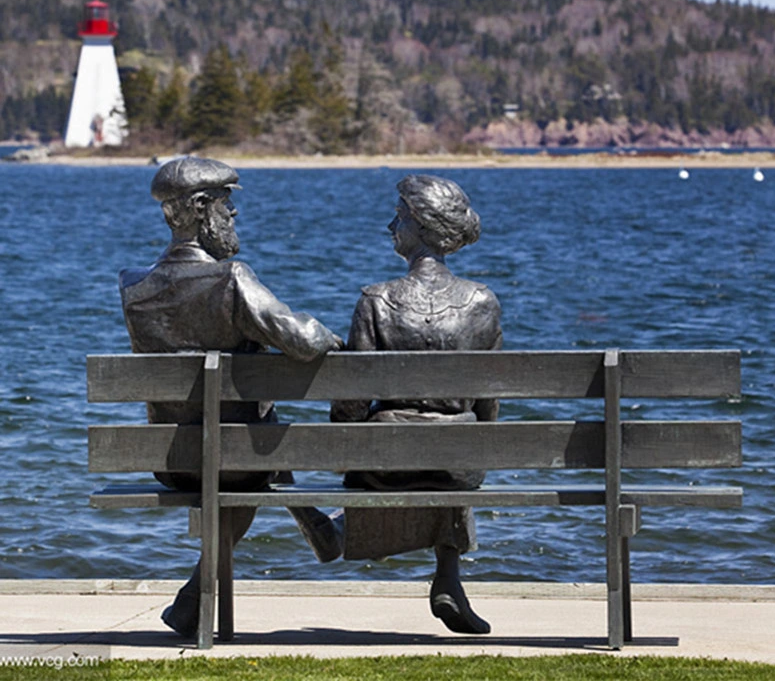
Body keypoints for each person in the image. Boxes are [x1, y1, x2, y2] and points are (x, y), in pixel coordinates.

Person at [119, 156, 344, 638]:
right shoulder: (232, 279)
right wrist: (327, 334)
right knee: (249, 442)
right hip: (235, 458)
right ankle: (314, 525)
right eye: (228, 205)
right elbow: (301, 339)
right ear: (201, 208)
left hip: (171, 459)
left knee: (243, 433)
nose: (234, 217)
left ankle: (197, 596)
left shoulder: (132, 288)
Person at [331, 174, 502, 635]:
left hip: (388, 458)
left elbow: (348, 404)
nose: (391, 224)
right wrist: (480, 440)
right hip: (458, 459)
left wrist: (338, 442)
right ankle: (448, 577)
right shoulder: (484, 303)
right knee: (455, 444)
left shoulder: (376, 301)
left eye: (400, 216)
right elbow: (488, 404)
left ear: (423, 226)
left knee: (401, 445)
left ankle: (340, 531)